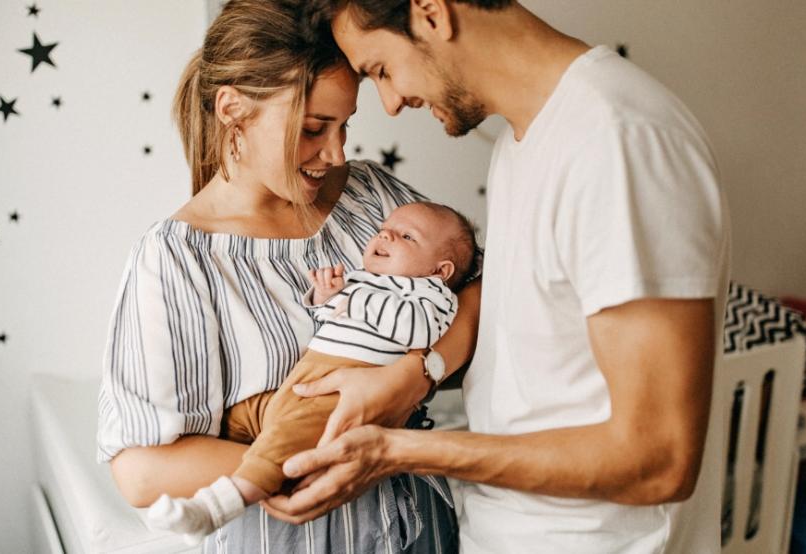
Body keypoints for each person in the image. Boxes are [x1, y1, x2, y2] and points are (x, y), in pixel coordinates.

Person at [264, 2, 731, 553]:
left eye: (382, 71)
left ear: (432, 14)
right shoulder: (523, 140)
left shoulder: (618, 141)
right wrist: (422, 369)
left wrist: (394, 451)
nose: (391, 104)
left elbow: (659, 460)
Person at [95, 1, 482, 552]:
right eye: (313, 129)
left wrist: (419, 374)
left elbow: (478, 286)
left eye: (345, 126)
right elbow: (141, 470)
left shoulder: (372, 196)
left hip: (420, 526)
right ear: (232, 110)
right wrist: (332, 461)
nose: (336, 152)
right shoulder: (178, 258)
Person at [145, 201, 478, 543]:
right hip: (304, 380)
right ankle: (225, 478)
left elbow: (415, 330)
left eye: (406, 236)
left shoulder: (432, 295)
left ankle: (216, 508)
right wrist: (326, 296)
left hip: (340, 393)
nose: (386, 235)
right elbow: (330, 319)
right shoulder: (363, 280)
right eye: (384, 229)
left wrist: (354, 298)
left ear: (441, 271)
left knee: (284, 442)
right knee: (238, 417)